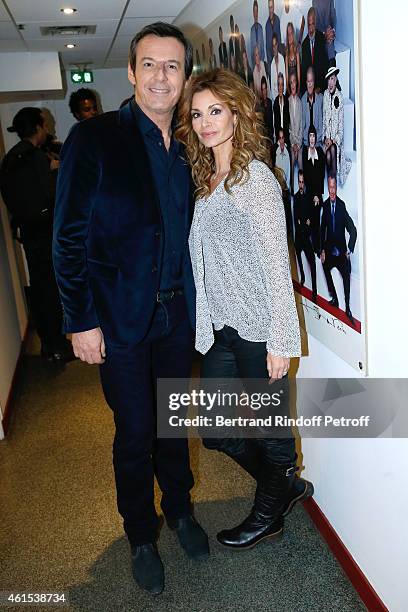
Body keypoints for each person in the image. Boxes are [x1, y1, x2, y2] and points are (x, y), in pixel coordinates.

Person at [53, 22, 209, 596]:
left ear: (185, 75)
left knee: (173, 425)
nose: (161, 77)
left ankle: (182, 510)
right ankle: (141, 534)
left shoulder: (192, 144)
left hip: (176, 317)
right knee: (135, 430)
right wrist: (80, 319)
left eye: (172, 66)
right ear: (131, 71)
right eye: (150, 64)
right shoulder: (95, 140)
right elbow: (67, 237)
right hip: (116, 319)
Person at [176, 67, 313, 551]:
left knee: (274, 434)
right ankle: (285, 488)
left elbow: (279, 265)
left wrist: (280, 341)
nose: (206, 122)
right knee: (215, 430)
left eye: (216, 111)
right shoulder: (205, 178)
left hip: (258, 332)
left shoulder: (256, 180)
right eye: (197, 114)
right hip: (222, 331)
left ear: (237, 113)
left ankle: (268, 512)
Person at [0, 108, 73, 363]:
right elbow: (52, 194)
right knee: (51, 290)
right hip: (46, 233)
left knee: (40, 288)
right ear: (39, 128)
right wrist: (55, 170)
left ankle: (48, 343)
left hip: (29, 234)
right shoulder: (36, 158)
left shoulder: (11, 158)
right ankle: (57, 346)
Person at [320, 175, 357, 323]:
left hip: (341, 252)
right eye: (330, 187)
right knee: (324, 266)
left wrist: (349, 249)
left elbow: (352, 230)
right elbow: (322, 229)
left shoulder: (341, 206)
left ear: (336, 188)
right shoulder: (325, 205)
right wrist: (322, 250)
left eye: (334, 187)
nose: (332, 190)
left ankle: (347, 307)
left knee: (346, 275)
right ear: (327, 188)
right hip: (329, 250)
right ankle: (334, 298)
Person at [323, 66, 350, 186]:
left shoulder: (340, 97)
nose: (330, 83)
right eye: (328, 79)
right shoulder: (325, 94)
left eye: (332, 79)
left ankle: (332, 185)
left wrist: (334, 140)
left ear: (336, 80)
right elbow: (324, 120)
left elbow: (341, 128)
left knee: (332, 151)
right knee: (328, 155)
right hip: (327, 140)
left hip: (336, 141)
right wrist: (326, 138)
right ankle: (331, 184)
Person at [294, 170, 317, 300]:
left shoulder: (308, 198)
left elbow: (312, 219)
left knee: (312, 262)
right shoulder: (296, 197)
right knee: (297, 252)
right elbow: (296, 218)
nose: (301, 184)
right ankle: (302, 275)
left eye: (302, 182)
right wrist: (303, 222)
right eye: (299, 182)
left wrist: (307, 222)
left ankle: (314, 289)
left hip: (306, 236)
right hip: (299, 236)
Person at [303, 124, 325, 254]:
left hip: (317, 192)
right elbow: (307, 177)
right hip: (310, 192)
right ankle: (310, 246)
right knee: (309, 210)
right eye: (310, 136)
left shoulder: (320, 153)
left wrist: (317, 195)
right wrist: (313, 195)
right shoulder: (305, 153)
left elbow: (321, 176)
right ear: (308, 138)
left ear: (316, 138)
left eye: (314, 136)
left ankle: (317, 246)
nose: (312, 139)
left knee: (316, 212)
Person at [301, 6, 328, 96]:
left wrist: (319, 88)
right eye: (309, 25)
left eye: (312, 24)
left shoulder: (321, 38)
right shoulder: (304, 45)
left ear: (315, 23)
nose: (311, 29)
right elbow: (304, 71)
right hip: (309, 90)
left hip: (321, 88)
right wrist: (308, 91)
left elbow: (325, 66)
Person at [301, 65, 323, 150]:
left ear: (314, 82)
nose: (310, 84)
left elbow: (321, 125)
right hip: (306, 142)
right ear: (306, 82)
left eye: (312, 81)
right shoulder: (302, 100)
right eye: (308, 81)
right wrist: (308, 142)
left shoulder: (320, 99)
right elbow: (302, 125)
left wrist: (315, 141)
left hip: (317, 142)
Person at [288, 72, 303, 194]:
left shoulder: (300, 102)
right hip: (292, 143)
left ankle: (303, 190)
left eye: (294, 82)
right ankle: (292, 190)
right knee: (291, 165)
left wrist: (298, 144)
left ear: (297, 84)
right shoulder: (287, 102)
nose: (293, 85)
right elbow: (288, 127)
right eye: (291, 82)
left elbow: (302, 126)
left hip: (299, 144)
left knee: (301, 164)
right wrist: (293, 144)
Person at [273, 72, 290, 144]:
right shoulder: (275, 103)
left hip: (286, 136)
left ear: (284, 87)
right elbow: (275, 124)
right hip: (278, 138)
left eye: (282, 84)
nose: (280, 87)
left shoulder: (287, 100)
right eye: (279, 84)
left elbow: (288, 121)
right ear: (277, 86)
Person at [285, 22, 301, 96]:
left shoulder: (296, 51)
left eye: (291, 33)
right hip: (290, 86)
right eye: (288, 34)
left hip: (297, 84)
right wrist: (288, 89)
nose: (290, 36)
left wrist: (298, 87)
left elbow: (298, 70)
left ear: (293, 34)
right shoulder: (286, 53)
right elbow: (286, 73)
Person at [270, 32, 286, 103]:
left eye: (275, 44)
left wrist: (283, 97)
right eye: (273, 46)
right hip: (275, 100)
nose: (274, 48)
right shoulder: (272, 64)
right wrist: (276, 100)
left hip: (283, 96)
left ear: (278, 45)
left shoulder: (282, 59)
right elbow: (272, 88)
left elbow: (284, 81)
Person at [265, 0, 281, 67]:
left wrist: (280, 59)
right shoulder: (267, 25)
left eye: (271, 7)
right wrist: (270, 66)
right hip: (271, 61)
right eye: (269, 7)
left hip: (279, 58)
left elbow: (279, 41)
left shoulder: (277, 20)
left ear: (274, 7)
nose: (270, 10)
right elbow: (268, 48)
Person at [274, 127, 291, 191]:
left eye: (282, 138)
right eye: (280, 138)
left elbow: (289, 168)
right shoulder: (274, 148)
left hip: (287, 183)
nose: (281, 140)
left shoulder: (288, 149)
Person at [250, 0, 265, 67]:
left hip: (261, 63)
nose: (255, 14)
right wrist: (254, 66)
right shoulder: (252, 30)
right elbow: (251, 51)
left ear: (258, 12)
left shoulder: (261, 28)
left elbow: (262, 48)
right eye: (254, 11)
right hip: (255, 65)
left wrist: (261, 64)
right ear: (253, 13)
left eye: (256, 11)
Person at [260, 75, 274, 142]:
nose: (264, 92)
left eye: (265, 89)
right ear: (261, 91)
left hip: (271, 137)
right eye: (263, 89)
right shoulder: (260, 105)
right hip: (264, 139)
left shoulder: (270, 102)